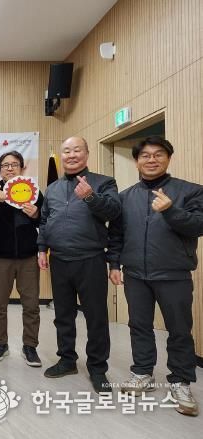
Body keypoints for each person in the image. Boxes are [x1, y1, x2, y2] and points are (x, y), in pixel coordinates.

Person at [108, 137, 203, 417]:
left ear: (168, 158)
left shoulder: (191, 191)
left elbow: (198, 226)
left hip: (174, 273)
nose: (152, 160)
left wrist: (171, 210)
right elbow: (116, 234)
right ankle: (142, 373)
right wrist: (114, 263)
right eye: (145, 156)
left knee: (179, 330)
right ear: (137, 161)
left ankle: (180, 382)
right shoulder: (125, 197)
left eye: (158, 154)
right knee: (139, 325)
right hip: (135, 273)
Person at [37, 136, 121, 393]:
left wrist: (91, 197)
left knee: (96, 316)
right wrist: (42, 248)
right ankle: (67, 360)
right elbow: (44, 220)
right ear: (61, 155)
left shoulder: (104, 182)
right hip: (59, 259)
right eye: (66, 151)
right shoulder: (52, 188)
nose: (71, 155)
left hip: (90, 259)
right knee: (63, 315)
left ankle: (98, 368)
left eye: (76, 150)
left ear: (86, 153)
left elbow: (114, 212)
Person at [0, 151, 43, 367]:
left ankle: (30, 346)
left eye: (14, 164)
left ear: (22, 168)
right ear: (0, 169)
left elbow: (44, 220)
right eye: (5, 165)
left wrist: (36, 214)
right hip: (0, 257)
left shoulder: (33, 191)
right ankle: (1, 344)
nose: (10, 168)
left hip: (28, 257)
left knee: (31, 304)